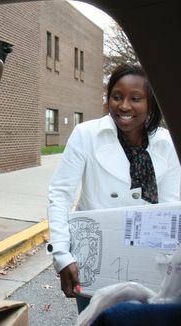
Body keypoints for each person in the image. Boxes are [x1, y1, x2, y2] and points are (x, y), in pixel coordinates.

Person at [47, 63, 181, 312]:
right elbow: (60, 195)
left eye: (136, 98)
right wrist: (62, 256)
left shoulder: (167, 143)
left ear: (151, 103)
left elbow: (171, 209)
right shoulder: (86, 134)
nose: (124, 106)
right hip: (96, 259)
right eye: (117, 97)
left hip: (148, 264)